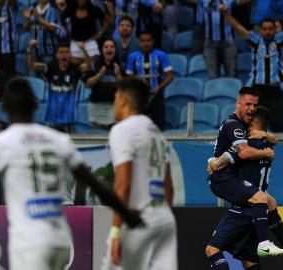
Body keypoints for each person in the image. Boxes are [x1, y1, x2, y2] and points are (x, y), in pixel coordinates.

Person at [0, 77, 143, 270]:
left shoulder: (1, 143)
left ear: (4, 108)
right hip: (61, 241)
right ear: (34, 106)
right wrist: (128, 214)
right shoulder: (58, 139)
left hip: (30, 244)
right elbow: (96, 185)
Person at [206, 106, 283, 269]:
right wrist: (266, 135)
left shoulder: (247, 147)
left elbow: (222, 162)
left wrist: (212, 162)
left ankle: (280, 244)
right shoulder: (267, 146)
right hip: (259, 213)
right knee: (250, 261)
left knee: (212, 250)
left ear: (251, 125)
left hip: (243, 209)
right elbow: (274, 140)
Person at [101, 77, 177, 270]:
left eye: (116, 98)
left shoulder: (122, 130)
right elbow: (169, 187)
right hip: (165, 220)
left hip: (138, 219)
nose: (114, 105)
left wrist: (116, 231)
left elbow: (123, 184)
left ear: (124, 101)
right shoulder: (157, 133)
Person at [206, 87, 283, 268]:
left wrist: (267, 137)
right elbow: (243, 153)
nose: (251, 108)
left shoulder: (247, 129)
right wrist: (266, 152)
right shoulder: (234, 125)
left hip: (240, 192)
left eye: (254, 105)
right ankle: (270, 244)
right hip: (222, 178)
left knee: (248, 260)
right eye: (248, 104)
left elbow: (237, 152)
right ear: (238, 103)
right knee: (262, 198)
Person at [219, 3, 283, 132]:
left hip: (275, 90)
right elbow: (238, 27)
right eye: (265, 29)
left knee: (277, 127)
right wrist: (225, 13)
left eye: (270, 29)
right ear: (260, 30)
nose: (267, 32)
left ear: (274, 30)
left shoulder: (279, 40)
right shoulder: (255, 41)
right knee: (254, 128)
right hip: (257, 91)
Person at [27, 40, 79, 132]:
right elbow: (31, 65)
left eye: (67, 52)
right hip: (52, 114)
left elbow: (88, 66)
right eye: (61, 52)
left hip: (69, 115)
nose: (64, 55)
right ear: (57, 55)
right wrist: (30, 49)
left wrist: (83, 50)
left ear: (70, 55)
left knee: (71, 142)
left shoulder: (75, 69)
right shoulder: (50, 67)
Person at [126, 30, 173, 130]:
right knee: (139, 127)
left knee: (158, 127)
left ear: (153, 42)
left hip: (157, 95)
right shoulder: (132, 57)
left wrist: (158, 88)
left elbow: (170, 76)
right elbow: (128, 77)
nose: (145, 43)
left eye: (148, 40)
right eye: (142, 41)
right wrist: (138, 82)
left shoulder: (161, 55)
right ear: (139, 42)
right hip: (139, 97)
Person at [82, 38, 123, 129]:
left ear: (115, 50)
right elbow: (88, 84)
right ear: (102, 50)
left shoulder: (119, 66)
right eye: (106, 47)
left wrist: (118, 75)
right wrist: (100, 74)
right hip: (96, 107)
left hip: (113, 107)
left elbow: (124, 87)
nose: (109, 49)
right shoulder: (94, 65)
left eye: (112, 47)